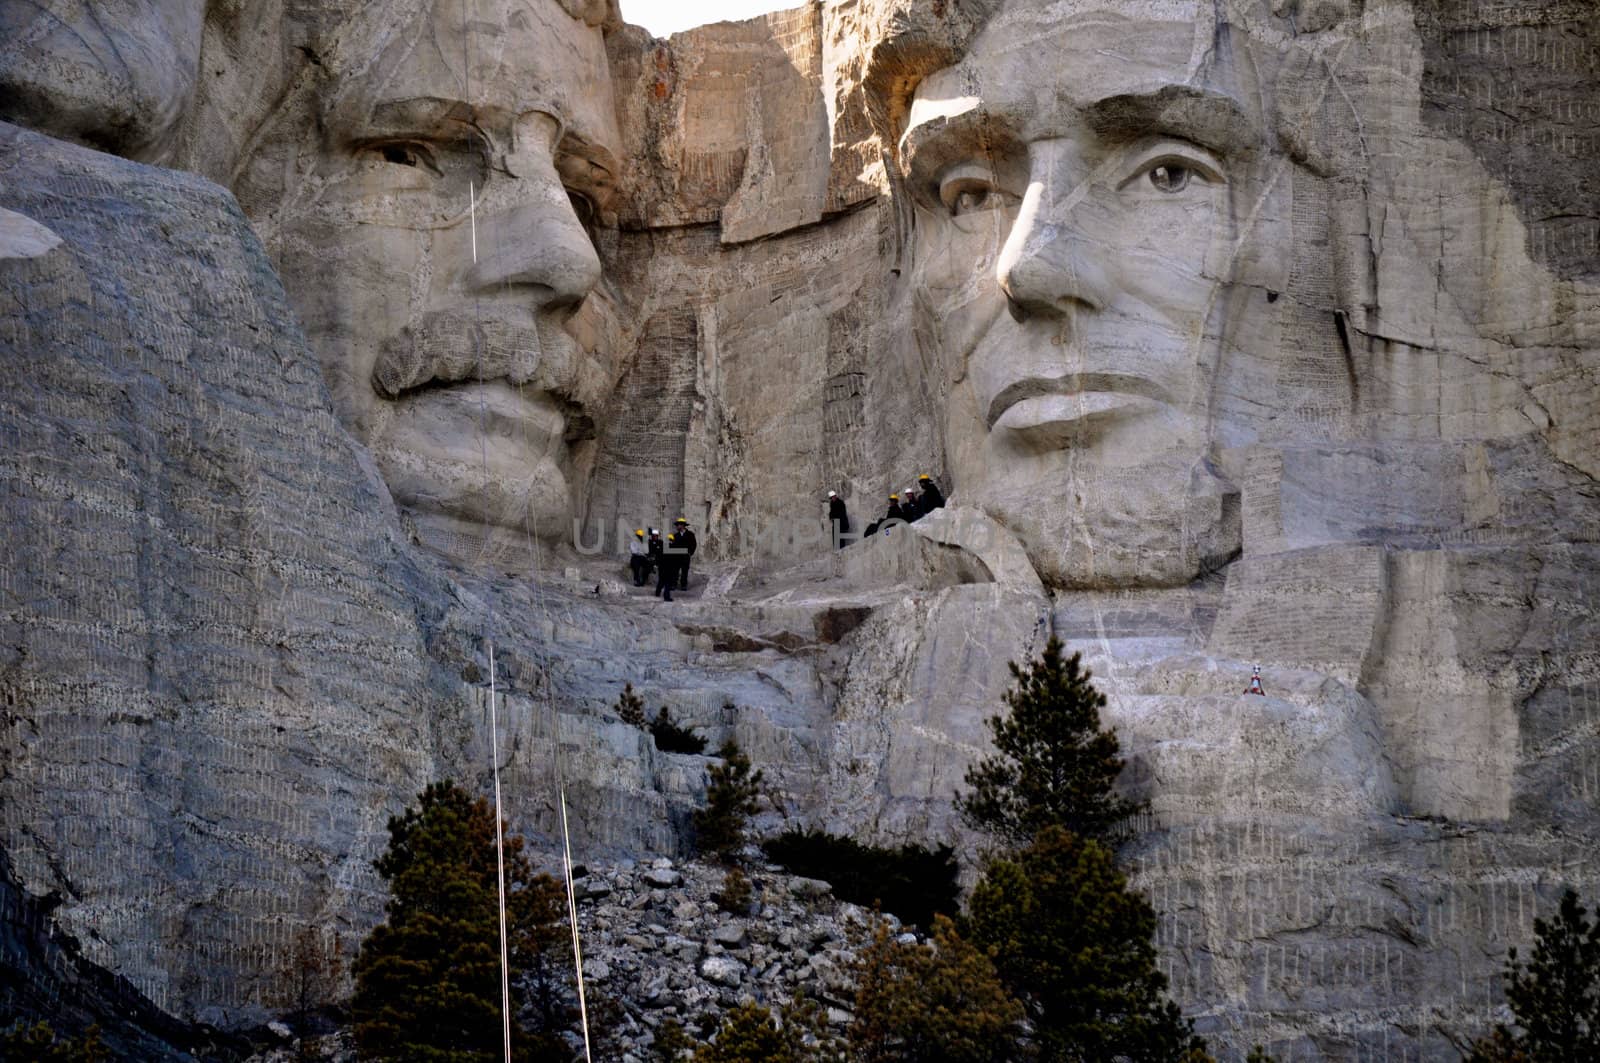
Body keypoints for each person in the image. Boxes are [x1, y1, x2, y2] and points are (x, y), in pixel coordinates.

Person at [673, 517, 697, 590]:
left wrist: (690, 553)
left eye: (678, 525)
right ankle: (674, 584)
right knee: (675, 570)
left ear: (683, 525)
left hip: (685, 556)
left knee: (684, 571)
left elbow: (694, 544)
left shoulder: (690, 534)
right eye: (677, 525)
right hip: (677, 556)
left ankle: (683, 585)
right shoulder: (675, 535)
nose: (677, 526)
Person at [656, 532, 681, 601]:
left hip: (662, 567)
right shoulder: (673, 548)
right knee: (668, 582)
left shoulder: (662, 547)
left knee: (661, 580)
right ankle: (666, 596)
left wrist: (657, 564)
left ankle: (657, 592)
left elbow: (658, 557)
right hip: (669, 568)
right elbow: (676, 559)